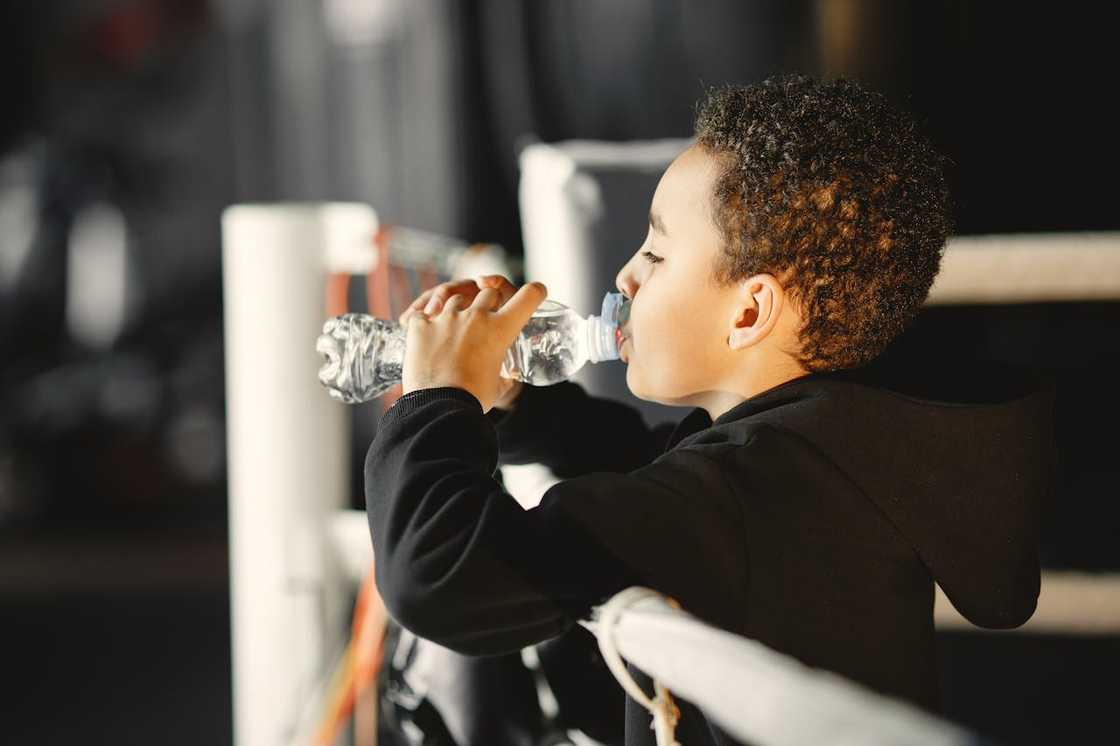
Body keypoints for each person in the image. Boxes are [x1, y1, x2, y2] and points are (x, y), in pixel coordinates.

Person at [364, 74, 1057, 746]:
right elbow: (646, 460)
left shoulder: (745, 493)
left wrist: (436, 398)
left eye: (657, 252)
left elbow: (440, 574)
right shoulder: (829, 453)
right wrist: (513, 402)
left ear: (750, 310)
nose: (625, 275)